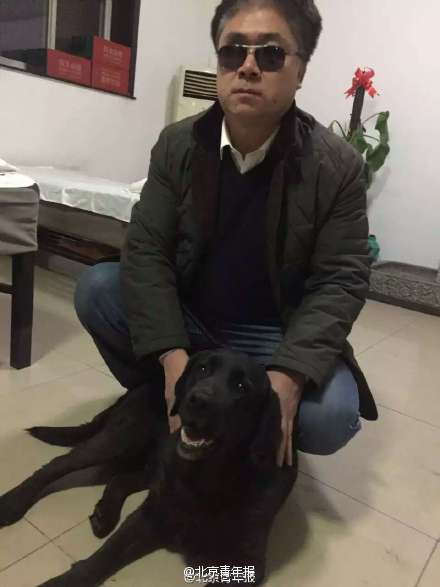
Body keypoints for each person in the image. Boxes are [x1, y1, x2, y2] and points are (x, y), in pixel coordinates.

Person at [75, 0, 378, 469]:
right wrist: (172, 357)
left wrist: (290, 373)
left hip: (276, 332)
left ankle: (232, 425)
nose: (248, 67)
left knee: (331, 416)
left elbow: (341, 279)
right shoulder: (177, 144)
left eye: (271, 54)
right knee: (98, 290)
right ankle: (171, 406)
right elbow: (147, 251)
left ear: (300, 71)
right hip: (194, 318)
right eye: (233, 51)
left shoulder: (337, 167)